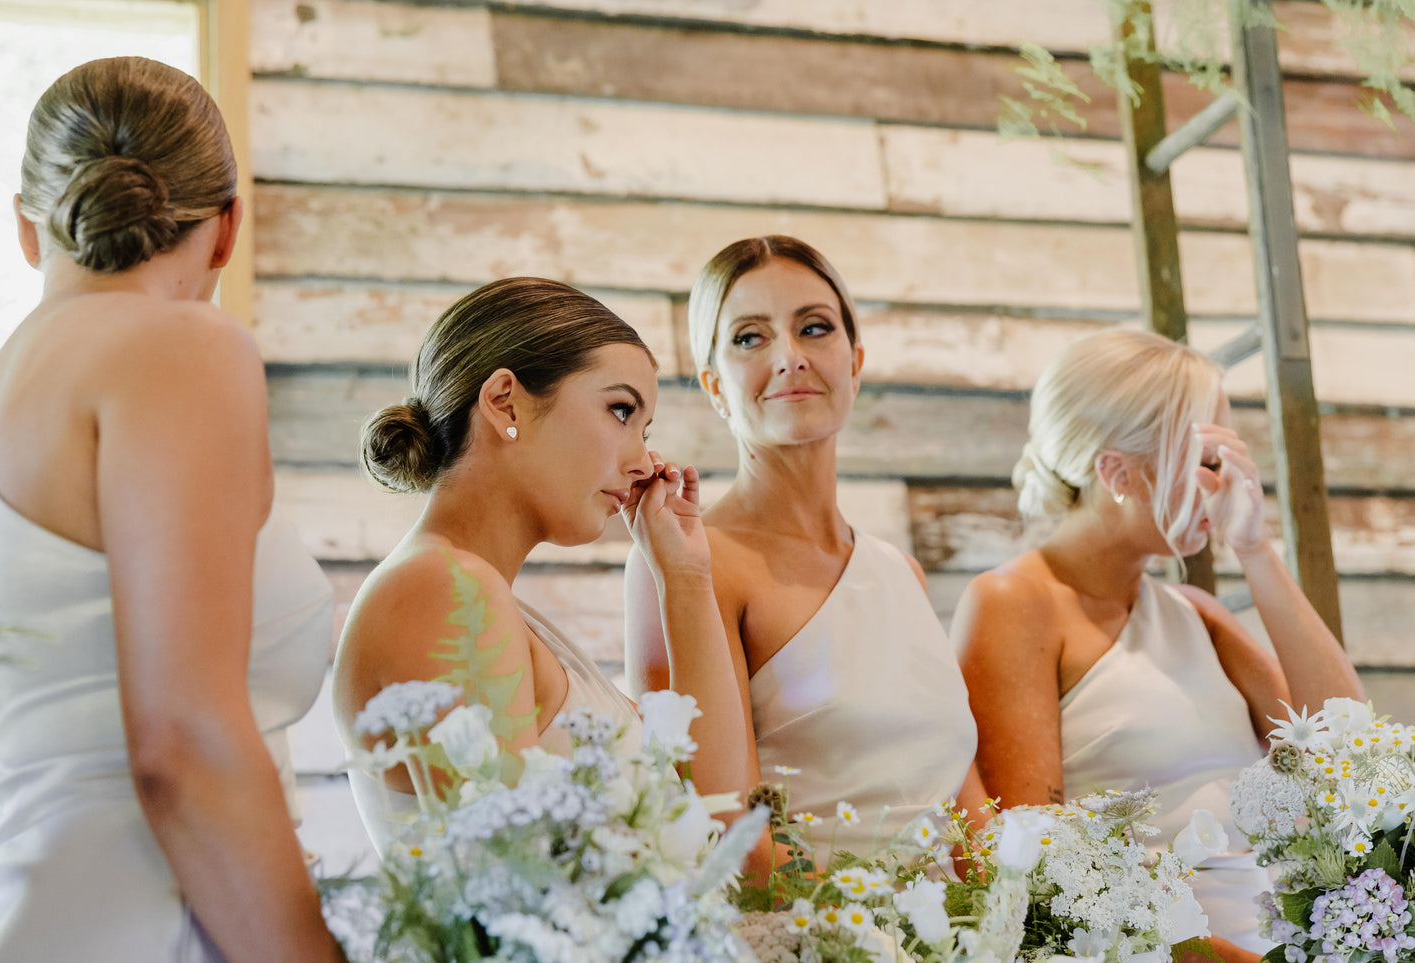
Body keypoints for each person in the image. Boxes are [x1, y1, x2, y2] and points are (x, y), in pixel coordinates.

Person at [0, 58, 343, 961]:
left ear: (29, 226)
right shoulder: (184, 347)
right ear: (226, 229)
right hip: (165, 918)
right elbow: (182, 746)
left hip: (37, 916)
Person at [953, 328, 1363, 959]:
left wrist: (1255, 548)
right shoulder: (1014, 603)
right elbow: (1038, 876)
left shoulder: (1195, 613)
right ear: (1117, 471)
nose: (1225, 481)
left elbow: (1345, 745)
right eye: (1206, 459)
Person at [332, 277, 747, 854]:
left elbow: (722, 824)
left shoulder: (484, 599)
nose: (644, 461)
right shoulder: (442, 590)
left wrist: (685, 579)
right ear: (505, 401)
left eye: (644, 429)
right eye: (620, 410)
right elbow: (511, 887)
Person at [625, 236, 983, 864]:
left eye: (814, 328)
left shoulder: (902, 573)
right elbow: (712, 823)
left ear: (855, 362)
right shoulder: (686, 562)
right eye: (749, 338)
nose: (790, 357)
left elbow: (968, 811)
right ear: (713, 385)